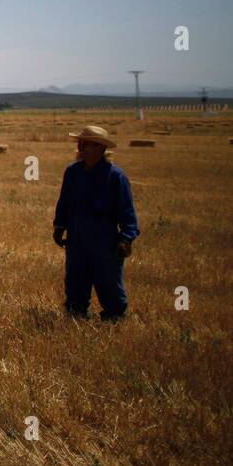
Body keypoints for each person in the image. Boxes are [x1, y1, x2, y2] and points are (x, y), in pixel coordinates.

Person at [53, 125, 139, 320]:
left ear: (101, 148)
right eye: (80, 143)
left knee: (108, 282)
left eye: (86, 144)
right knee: (75, 280)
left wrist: (126, 238)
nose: (81, 147)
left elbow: (127, 211)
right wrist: (59, 226)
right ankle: (76, 315)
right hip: (76, 238)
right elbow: (64, 201)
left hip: (104, 240)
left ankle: (114, 319)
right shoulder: (73, 172)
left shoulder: (115, 176)